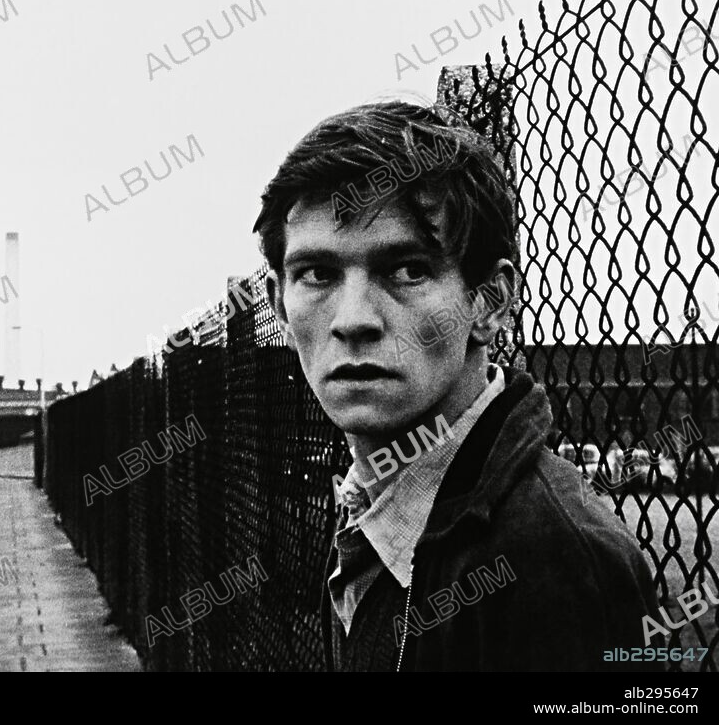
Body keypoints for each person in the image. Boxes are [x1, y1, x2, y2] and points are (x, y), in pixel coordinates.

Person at [252, 100, 661, 671]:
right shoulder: (371, 502)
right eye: (318, 274)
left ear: (490, 303)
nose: (353, 320)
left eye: (407, 270)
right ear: (279, 304)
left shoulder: (552, 559)